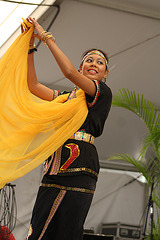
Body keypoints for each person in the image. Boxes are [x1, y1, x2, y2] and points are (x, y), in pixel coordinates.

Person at [25, 17, 112, 240]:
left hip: (80, 168)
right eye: (89, 60)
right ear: (81, 67)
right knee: (39, 229)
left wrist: (45, 37)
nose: (93, 64)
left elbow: (69, 74)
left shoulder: (101, 93)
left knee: (67, 232)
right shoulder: (65, 98)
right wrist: (29, 47)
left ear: (105, 74)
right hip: (53, 168)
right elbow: (33, 85)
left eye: (99, 62)